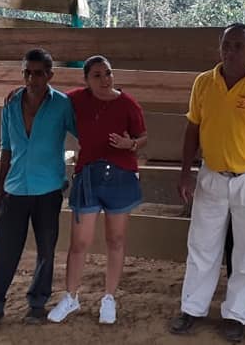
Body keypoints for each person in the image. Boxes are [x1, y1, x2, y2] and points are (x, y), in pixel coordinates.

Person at [169, 23, 245, 343]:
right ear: (219, 47)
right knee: (201, 246)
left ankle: (235, 315)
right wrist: (185, 172)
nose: (231, 52)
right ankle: (192, 308)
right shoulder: (203, 83)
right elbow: (192, 130)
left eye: (238, 46)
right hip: (212, 175)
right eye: (226, 45)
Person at [0, 48, 76, 332]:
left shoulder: (62, 105)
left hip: (49, 189)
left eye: (39, 73)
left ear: (50, 75)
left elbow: (83, 132)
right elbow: (6, 149)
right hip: (15, 188)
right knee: (3, 252)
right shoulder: (11, 104)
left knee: (46, 249)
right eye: (27, 73)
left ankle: (37, 304)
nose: (32, 79)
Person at [47, 55, 147, 325]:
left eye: (108, 73)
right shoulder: (76, 100)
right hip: (88, 176)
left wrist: (130, 145)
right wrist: (17, 93)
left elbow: (143, 136)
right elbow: (50, 97)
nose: (105, 79)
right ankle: (71, 297)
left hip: (120, 176)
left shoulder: (128, 103)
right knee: (79, 242)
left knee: (116, 239)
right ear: (86, 80)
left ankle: (109, 298)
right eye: (97, 75)